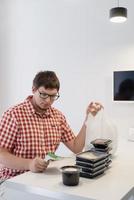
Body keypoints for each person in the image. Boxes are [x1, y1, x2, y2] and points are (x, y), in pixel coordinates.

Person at [0, 70, 103, 180]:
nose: (48, 101)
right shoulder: (13, 115)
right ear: (33, 89)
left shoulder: (57, 117)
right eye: (43, 95)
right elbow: (1, 154)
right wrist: (29, 164)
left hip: (43, 179)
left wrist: (88, 118)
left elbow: (76, 147)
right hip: (13, 180)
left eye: (53, 96)